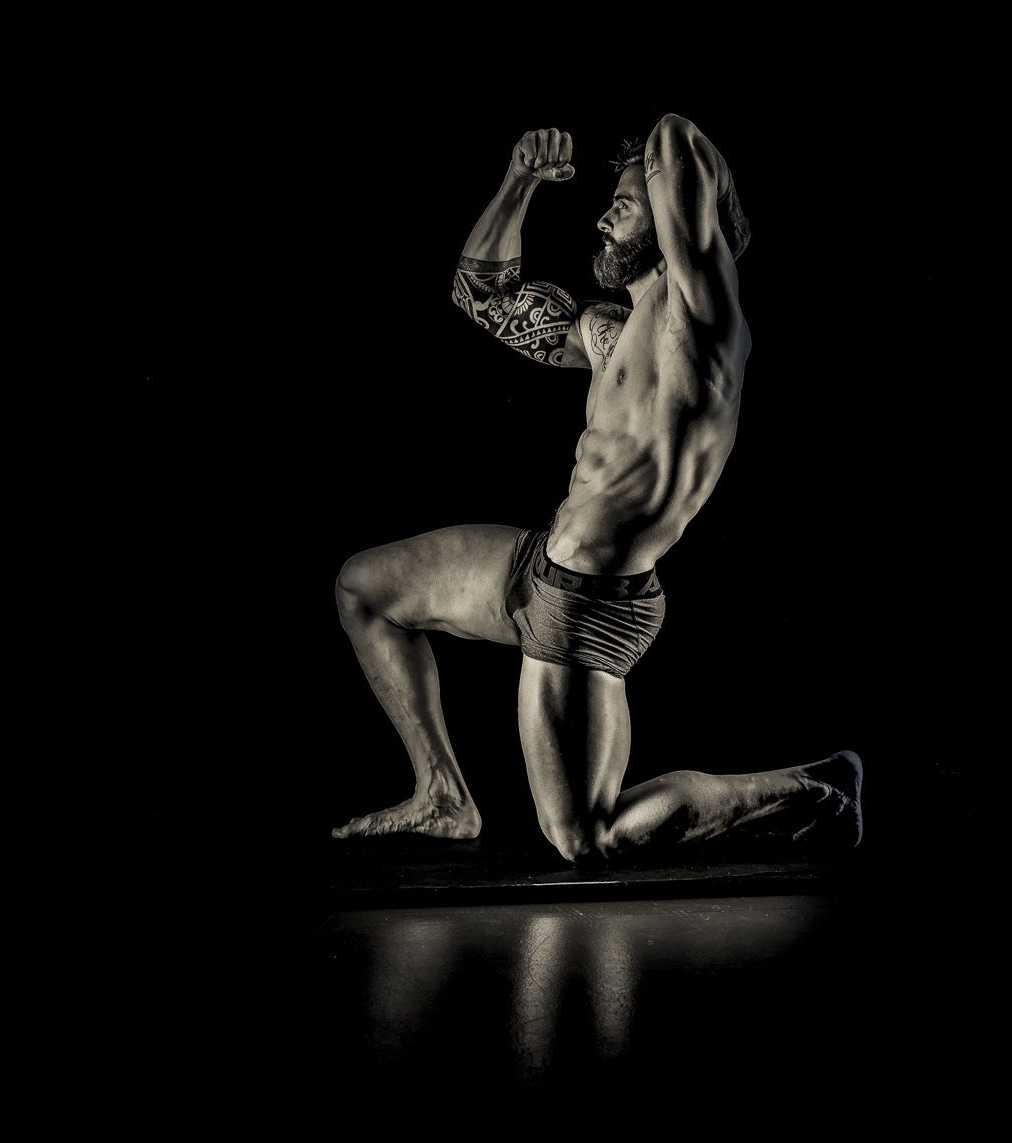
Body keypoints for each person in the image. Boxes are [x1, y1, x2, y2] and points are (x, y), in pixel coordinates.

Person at [332, 116, 861, 861]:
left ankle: (815, 786)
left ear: (675, 216)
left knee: (584, 837)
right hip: (538, 566)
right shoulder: (611, 329)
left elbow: (677, 138)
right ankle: (442, 792)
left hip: (589, 602)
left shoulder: (702, 318)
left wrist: (659, 165)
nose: (605, 217)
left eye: (627, 202)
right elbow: (480, 296)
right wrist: (519, 180)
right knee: (363, 588)